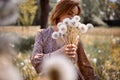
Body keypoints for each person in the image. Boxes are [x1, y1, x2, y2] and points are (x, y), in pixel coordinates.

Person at [31, 0, 97, 80]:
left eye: (75, 15)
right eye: (69, 14)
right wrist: (60, 52)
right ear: (59, 13)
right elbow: (36, 62)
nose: (73, 19)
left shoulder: (75, 37)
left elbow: (85, 67)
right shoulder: (42, 34)